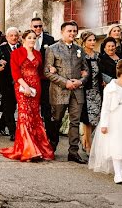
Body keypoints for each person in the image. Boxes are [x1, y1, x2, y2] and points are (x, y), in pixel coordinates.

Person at [0, 29, 55, 161]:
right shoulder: (17, 53)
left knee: (35, 115)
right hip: (22, 87)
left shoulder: (38, 54)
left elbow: (41, 72)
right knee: (24, 115)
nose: (32, 40)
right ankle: (27, 149)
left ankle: (37, 147)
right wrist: (26, 86)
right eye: (29, 38)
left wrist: (51, 69)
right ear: (23, 39)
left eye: (34, 38)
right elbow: (16, 73)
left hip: (36, 87)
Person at [44, 21, 88, 163]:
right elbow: (47, 72)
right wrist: (65, 82)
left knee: (74, 122)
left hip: (77, 91)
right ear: (62, 32)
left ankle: (73, 152)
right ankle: (52, 147)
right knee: (56, 121)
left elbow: (86, 70)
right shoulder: (52, 49)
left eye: (74, 31)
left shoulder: (79, 49)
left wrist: (81, 81)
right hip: (59, 91)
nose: (72, 33)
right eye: (69, 31)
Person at [30, 17, 56, 129]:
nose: (38, 28)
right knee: (32, 105)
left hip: (45, 77)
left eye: (40, 26)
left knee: (46, 104)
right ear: (31, 27)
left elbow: (53, 56)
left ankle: (47, 129)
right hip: (31, 76)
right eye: (35, 26)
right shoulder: (27, 38)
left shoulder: (50, 39)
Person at [79, 31, 102, 154]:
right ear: (84, 42)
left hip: (96, 90)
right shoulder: (81, 55)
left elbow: (100, 73)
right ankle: (88, 145)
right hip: (85, 91)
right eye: (90, 40)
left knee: (96, 119)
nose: (93, 42)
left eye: (94, 40)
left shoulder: (98, 56)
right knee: (88, 120)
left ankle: (85, 140)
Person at [0, 27, 21, 139]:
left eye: (16, 35)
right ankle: (13, 131)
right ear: (7, 37)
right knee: (8, 105)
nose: (14, 37)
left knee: (11, 106)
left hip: (18, 81)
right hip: (5, 81)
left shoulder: (22, 48)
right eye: (11, 35)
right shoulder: (0, 48)